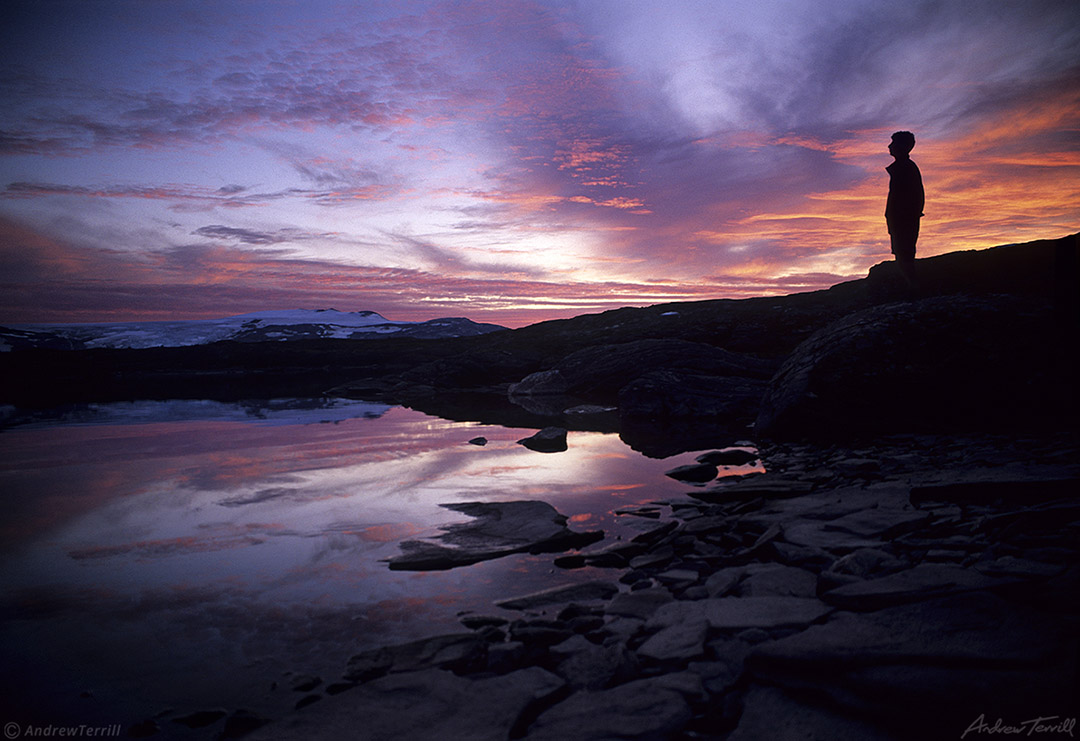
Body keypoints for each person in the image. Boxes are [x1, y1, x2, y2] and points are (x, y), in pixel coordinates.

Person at [885, 130, 924, 287]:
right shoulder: (902, 168)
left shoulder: (907, 168)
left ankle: (914, 289)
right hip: (900, 220)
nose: (889, 146)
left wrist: (903, 217)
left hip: (904, 220)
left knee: (904, 255)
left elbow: (915, 197)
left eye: (893, 143)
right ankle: (910, 288)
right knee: (901, 254)